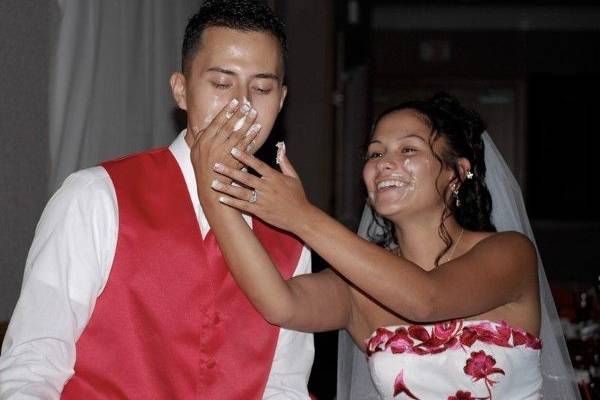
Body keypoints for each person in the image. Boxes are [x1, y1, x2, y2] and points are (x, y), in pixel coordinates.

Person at [0, 1, 314, 399]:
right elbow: (32, 364)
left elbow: (283, 385)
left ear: (281, 100)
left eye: (262, 88)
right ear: (181, 90)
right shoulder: (97, 196)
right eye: (221, 84)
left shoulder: (290, 235)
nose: (242, 106)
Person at [195, 93, 545, 399]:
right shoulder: (356, 288)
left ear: (457, 173)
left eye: (408, 149)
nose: (384, 164)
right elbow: (280, 304)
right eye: (375, 154)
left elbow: (426, 300)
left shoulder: (510, 253)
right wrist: (213, 195)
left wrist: (302, 217)